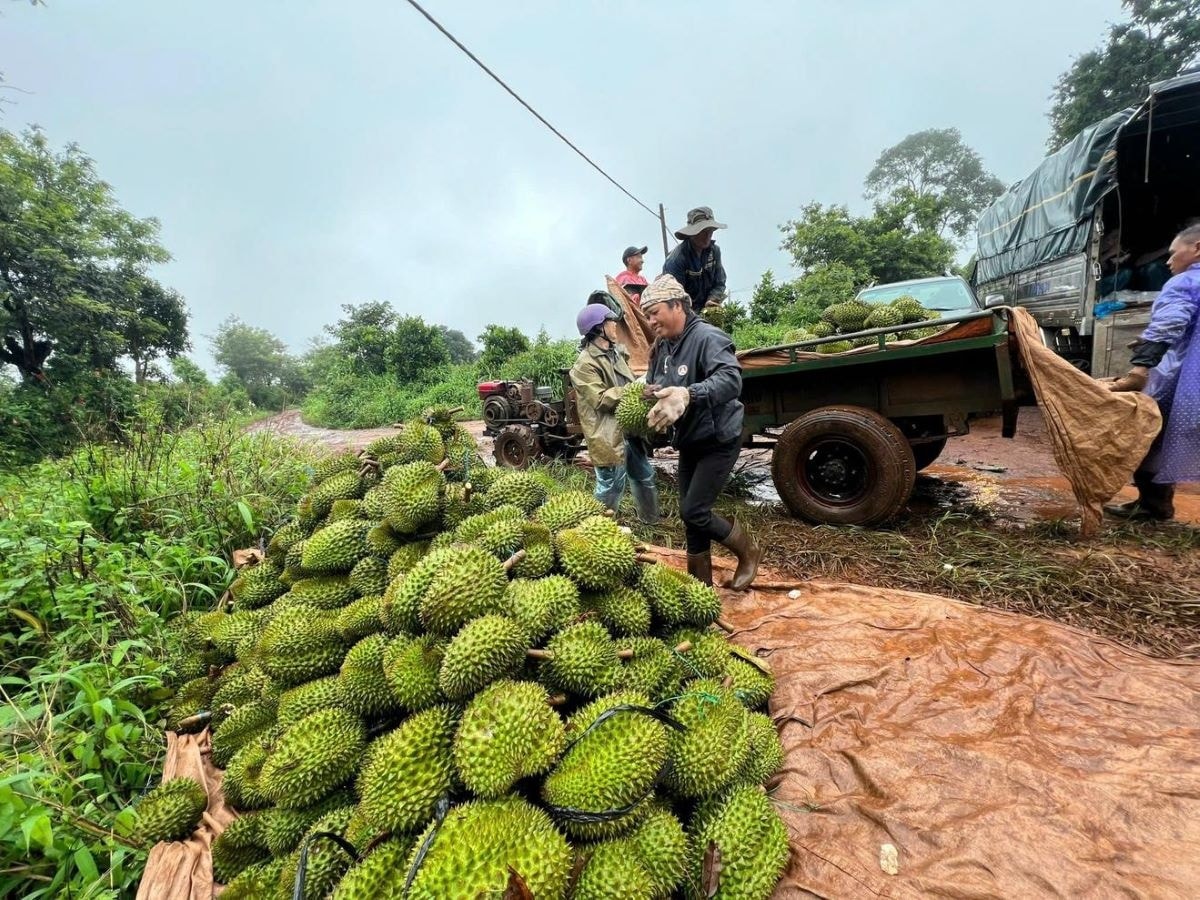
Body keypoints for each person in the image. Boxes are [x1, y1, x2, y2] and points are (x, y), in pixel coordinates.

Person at [639, 274, 760, 589]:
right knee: (690, 516)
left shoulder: (708, 337)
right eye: (647, 315)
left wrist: (688, 394)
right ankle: (700, 590)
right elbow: (659, 383)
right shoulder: (663, 348)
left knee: (694, 510)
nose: (651, 321)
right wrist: (648, 392)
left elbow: (731, 380)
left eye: (655, 312)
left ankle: (747, 551)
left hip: (719, 438)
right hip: (690, 439)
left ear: (677, 305)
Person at [1105, 222, 1200, 521]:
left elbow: (1171, 323)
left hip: (1186, 378)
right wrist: (1147, 339)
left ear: (1196, 248)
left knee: (1149, 432)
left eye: (1173, 253)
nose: (1168, 261)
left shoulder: (1186, 282)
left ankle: (1153, 505)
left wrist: (1140, 369)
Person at [569, 302, 660, 524]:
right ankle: (597, 529)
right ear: (599, 328)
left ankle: (651, 520)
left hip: (627, 429)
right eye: (611, 322)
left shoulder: (616, 354)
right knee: (611, 484)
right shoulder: (583, 365)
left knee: (644, 475)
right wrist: (637, 389)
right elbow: (600, 399)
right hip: (607, 432)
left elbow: (628, 382)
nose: (615, 326)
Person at [662, 206, 728, 312]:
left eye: (710, 231)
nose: (708, 236)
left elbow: (719, 283)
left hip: (705, 310)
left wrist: (712, 299)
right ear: (692, 233)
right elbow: (674, 297)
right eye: (703, 231)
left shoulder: (714, 252)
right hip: (684, 313)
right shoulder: (676, 259)